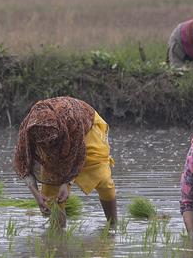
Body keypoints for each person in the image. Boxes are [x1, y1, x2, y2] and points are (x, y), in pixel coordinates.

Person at [13, 97, 117, 227]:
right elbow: (23, 165)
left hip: (86, 129)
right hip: (63, 133)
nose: (48, 147)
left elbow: (77, 155)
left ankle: (113, 226)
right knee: (51, 193)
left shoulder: (72, 119)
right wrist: (37, 195)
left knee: (102, 177)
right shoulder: (27, 132)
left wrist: (67, 182)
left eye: (50, 143)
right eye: (44, 145)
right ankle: (58, 236)